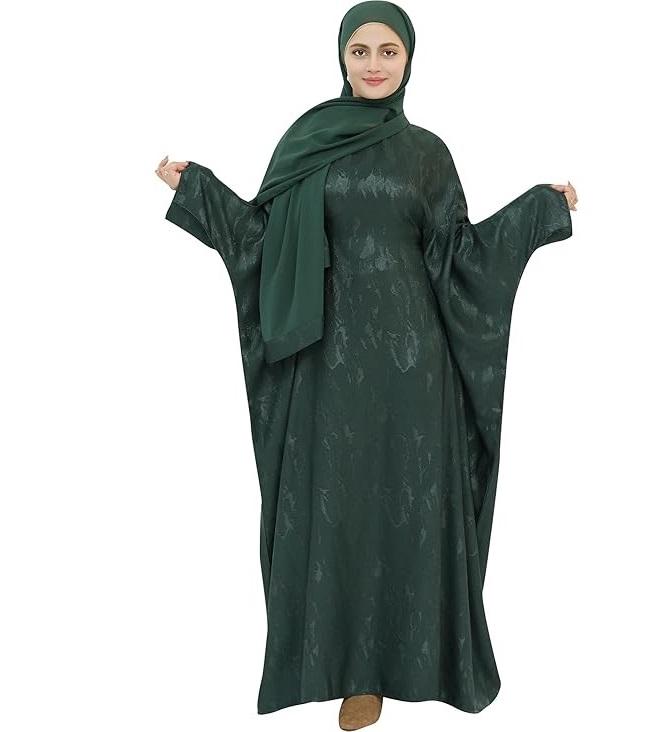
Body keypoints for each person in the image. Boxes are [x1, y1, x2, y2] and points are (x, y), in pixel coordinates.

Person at [155, 1, 578, 729]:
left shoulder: (427, 154)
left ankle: (413, 666)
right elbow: (260, 239)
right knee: (333, 511)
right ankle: (350, 674)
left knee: (410, 513)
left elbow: (460, 255)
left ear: (409, 59)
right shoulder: (308, 141)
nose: (374, 64)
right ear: (342, 59)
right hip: (325, 365)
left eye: (388, 50)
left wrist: (538, 211)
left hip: (416, 372)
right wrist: (200, 192)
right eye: (361, 50)